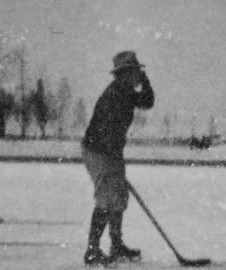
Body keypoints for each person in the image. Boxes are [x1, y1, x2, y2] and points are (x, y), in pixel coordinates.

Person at [81, 51, 154, 266]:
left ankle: (117, 244)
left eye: (138, 72)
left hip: (111, 151)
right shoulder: (113, 95)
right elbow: (104, 130)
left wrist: (146, 82)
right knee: (106, 197)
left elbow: (147, 101)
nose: (136, 75)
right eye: (134, 72)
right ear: (122, 74)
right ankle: (92, 251)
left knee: (120, 197)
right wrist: (112, 161)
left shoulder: (128, 92)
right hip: (98, 151)